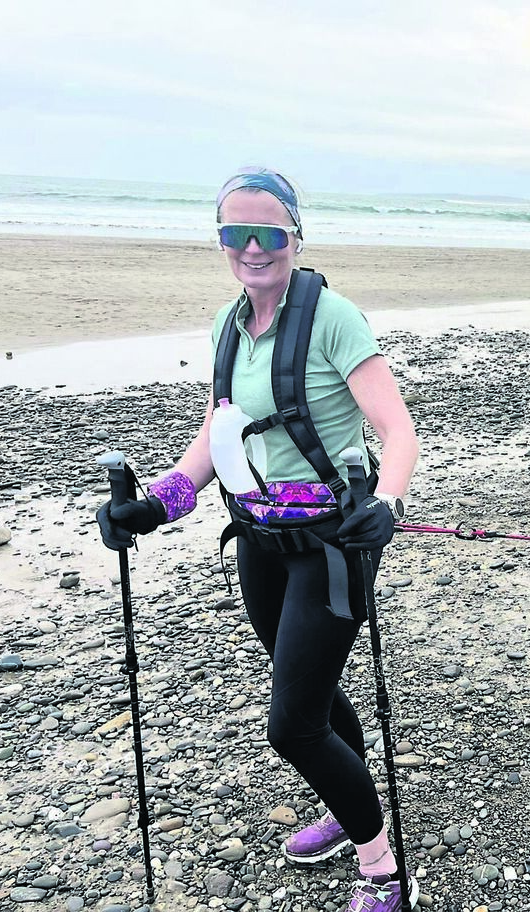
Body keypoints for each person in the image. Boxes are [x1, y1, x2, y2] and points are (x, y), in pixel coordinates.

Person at [97, 167, 420, 912]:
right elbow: (216, 437)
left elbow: (396, 429)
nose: (251, 248)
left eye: (267, 234)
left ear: (295, 239)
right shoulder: (226, 324)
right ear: (221, 243)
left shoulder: (335, 318)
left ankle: (381, 870)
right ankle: (348, 811)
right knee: (309, 685)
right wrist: (157, 506)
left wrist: (391, 504)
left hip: (335, 544)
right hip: (259, 543)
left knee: (293, 724)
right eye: (234, 234)